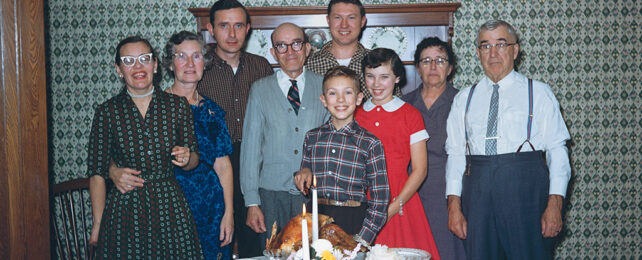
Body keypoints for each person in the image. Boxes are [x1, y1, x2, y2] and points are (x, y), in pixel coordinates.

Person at [445, 20, 571, 260]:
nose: (493, 53)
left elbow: (557, 150)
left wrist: (555, 204)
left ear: (515, 50)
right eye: (485, 46)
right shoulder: (464, 99)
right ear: (478, 52)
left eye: (501, 45)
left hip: (525, 189)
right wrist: (454, 205)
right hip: (478, 192)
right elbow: (455, 155)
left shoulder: (539, 93)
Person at [88, 36, 203, 259]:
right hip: (124, 210)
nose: (138, 66)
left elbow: (193, 159)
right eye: (128, 60)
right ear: (119, 69)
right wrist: (98, 223)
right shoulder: (106, 112)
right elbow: (97, 172)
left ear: (156, 64)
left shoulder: (178, 106)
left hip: (169, 207)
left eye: (144, 58)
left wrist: (187, 157)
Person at [240, 23, 329, 249]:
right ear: (272, 52)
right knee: (274, 251)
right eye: (281, 46)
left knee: (316, 252)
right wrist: (252, 202)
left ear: (307, 48)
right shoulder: (259, 90)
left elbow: (331, 141)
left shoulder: (325, 86)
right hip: (270, 196)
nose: (290, 51)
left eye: (296, 44)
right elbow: (251, 150)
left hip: (313, 194)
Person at [197, 0, 274, 256]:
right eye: (224, 26)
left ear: (248, 28)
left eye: (238, 26)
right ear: (210, 28)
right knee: (218, 238)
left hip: (256, 163)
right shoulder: (198, 69)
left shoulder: (261, 66)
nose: (232, 34)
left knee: (256, 237)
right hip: (213, 165)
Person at [354, 48, 441, 259]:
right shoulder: (355, 114)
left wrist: (394, 206)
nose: (376, 84)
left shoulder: (410, 115)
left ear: (397, 78)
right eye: (370, 76)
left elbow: (420, 170)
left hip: (400, 199)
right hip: (362, 201)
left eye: (384, 77)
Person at [294, 66, 390, 245]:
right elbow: (305, 178)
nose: (340, 100)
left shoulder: (370, 143)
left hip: (353, 221)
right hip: (317, 219)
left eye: (347, 92)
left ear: (359, 98)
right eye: (332, 93)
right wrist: (302, 174)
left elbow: (380, 199)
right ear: (323, 99)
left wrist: (362, 239)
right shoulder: (312, 137)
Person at [402, 37, 466, 260]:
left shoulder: (463, 103)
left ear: (450, 67)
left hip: (449, 195)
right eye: (426, 60)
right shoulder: (403, 104)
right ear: (417, 67)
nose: (432, 66)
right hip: (411, 194)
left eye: (439, 60)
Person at [306, 0, 372, 97]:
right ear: (328, 20)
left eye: (351, 18)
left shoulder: (378, 64)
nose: (344, 25)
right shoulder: (308, 66)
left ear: (362, 21)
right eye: (337, 17)